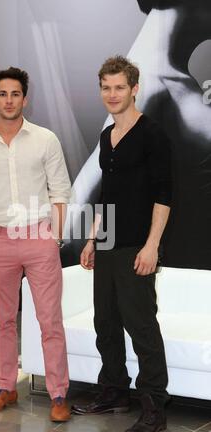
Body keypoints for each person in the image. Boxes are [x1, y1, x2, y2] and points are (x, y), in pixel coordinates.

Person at [71, 56, 172, 432]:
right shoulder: (106, 136)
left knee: (141, 327)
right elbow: (108, 194)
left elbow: (164, 196)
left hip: (137, 245)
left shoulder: (153, 134)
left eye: (119, 87)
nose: (112, 94)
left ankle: (153, 406)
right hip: (110, 241)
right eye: (105, 88)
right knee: (106, 323)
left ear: (134, 89)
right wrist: (93, 238)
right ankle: (113, 391)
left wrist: (151, 247)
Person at [0, 66, 71, 422]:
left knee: (49, 320)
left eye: (16, 94)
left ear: (25, 98)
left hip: (39, 237)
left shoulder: (45, 139)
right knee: (3, 321)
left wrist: (53, 238)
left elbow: (61, 192)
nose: (9, 100)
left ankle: (58, 394)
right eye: (3, 94)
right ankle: (6, 388)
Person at [68, 0, 211, 269]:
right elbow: (91, 190)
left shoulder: (157, 79)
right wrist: (77, 257)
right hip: (142, 258)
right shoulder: (155, 85)